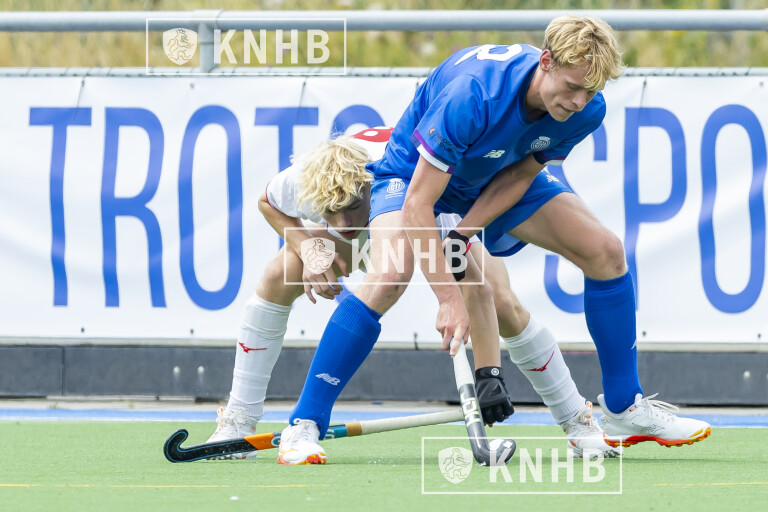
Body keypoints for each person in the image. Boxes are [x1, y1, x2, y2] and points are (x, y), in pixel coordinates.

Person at [277, 15, 711, 464]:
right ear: (546, 61)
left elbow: (521, 174)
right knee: (390, 275)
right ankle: (304, 424)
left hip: (493, 176)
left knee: (606, 251)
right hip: (411, 176)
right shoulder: (473, 94)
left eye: (590, 91)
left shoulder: (586, 108)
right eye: (571, 87)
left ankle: (624, 407)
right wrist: (448, 299)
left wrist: (462, 234)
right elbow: (419, 203)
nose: (579, 102)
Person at [208, 127, 619, 462]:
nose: (342, 222)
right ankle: (238, 419)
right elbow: (267, 203)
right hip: (375, 218)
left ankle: (577, 421)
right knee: (278, 275)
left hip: (415, 211)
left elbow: (472, 288)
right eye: (331, 212)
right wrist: (309, 248)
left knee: (501, 301)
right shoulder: (309, 180)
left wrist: (488, 375)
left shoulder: (413, 188)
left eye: (350, 207)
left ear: (367, 187)